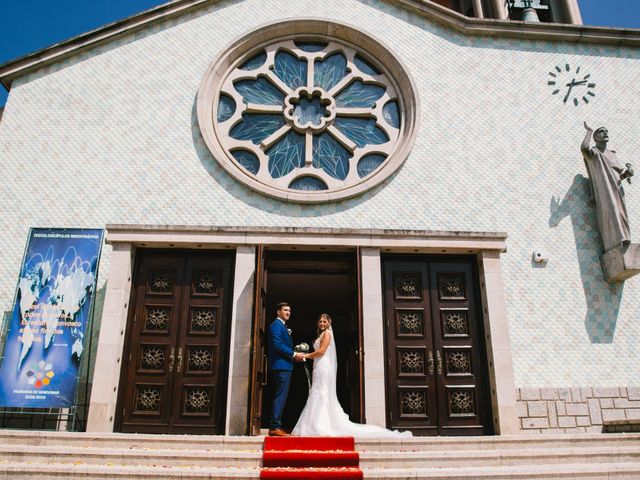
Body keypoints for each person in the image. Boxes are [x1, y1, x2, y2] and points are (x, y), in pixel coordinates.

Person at [292, 313, 412, 438]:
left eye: (325, 322)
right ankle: (314, 423)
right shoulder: (321, 334)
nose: (322, 324)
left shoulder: (327, 334)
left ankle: (320, 425)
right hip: (318, 365)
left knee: (321, 391)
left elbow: (321, 351)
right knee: (318, 391)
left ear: (329, 323)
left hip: (323, 365)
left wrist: (305, 355)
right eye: (320, 321)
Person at [581, 122, 634, 252]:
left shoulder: (612, 154)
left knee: (621, 213)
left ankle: (625, 237)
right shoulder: (594, 152)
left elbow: (617, 176)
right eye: (601, 131)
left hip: (617, 189)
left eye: (606, 131)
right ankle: (616, 240)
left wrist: (626, 174)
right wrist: (589, 131)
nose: (605, 132)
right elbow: (584, 149)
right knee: (612, 211)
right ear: (595, 138)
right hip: (606, 190)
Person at [267, 301, 304, 436]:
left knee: (281, 395)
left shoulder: (282, 326)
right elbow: (277, 345)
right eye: (285, 310)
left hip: (285, 365)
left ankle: (276, 425)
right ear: (278, 312)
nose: (288, 312)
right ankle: (275, 427)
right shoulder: (276, 326)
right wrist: (294, 354)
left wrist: (294, 356)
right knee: (280, 396)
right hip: (281, 366)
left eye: (289, 310)